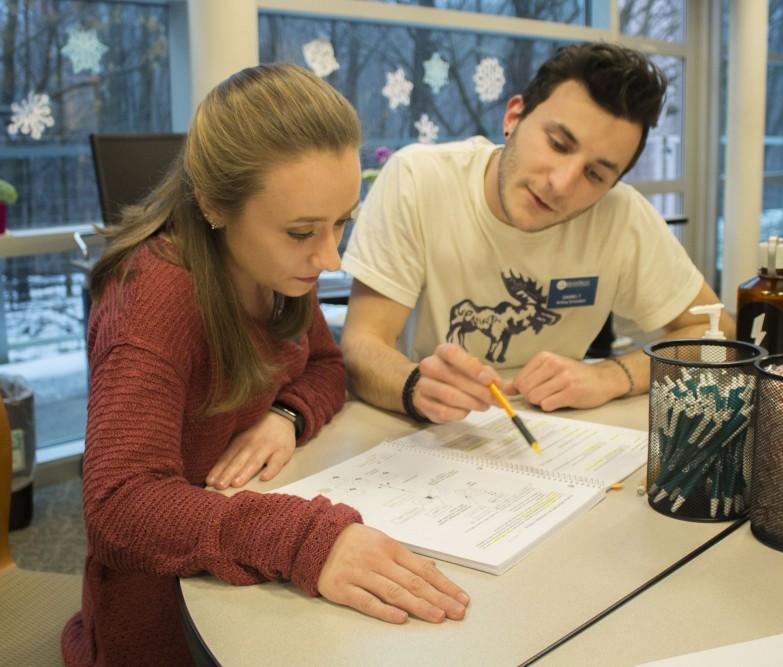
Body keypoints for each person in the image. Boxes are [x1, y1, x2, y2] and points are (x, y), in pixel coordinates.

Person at [62, 64, 468, 667]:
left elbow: (328, 367)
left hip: (244, 577)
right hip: (162, 627)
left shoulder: (275, 265)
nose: (329, 257)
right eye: (303, 230)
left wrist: (284, 415)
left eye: (341, 223)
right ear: (213, 205)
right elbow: (117, 506)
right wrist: (308, 539)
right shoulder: (153, 299)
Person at [341, 43, 736, 424]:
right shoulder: (418, 178)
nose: (562, 185)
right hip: (426, 433)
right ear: (513, 116)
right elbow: (362, 345)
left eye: (595, 174)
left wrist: (611, 376)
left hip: (559, 436)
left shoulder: (622, 215)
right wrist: (415, 385)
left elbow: (717, 335)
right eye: (558, 144)